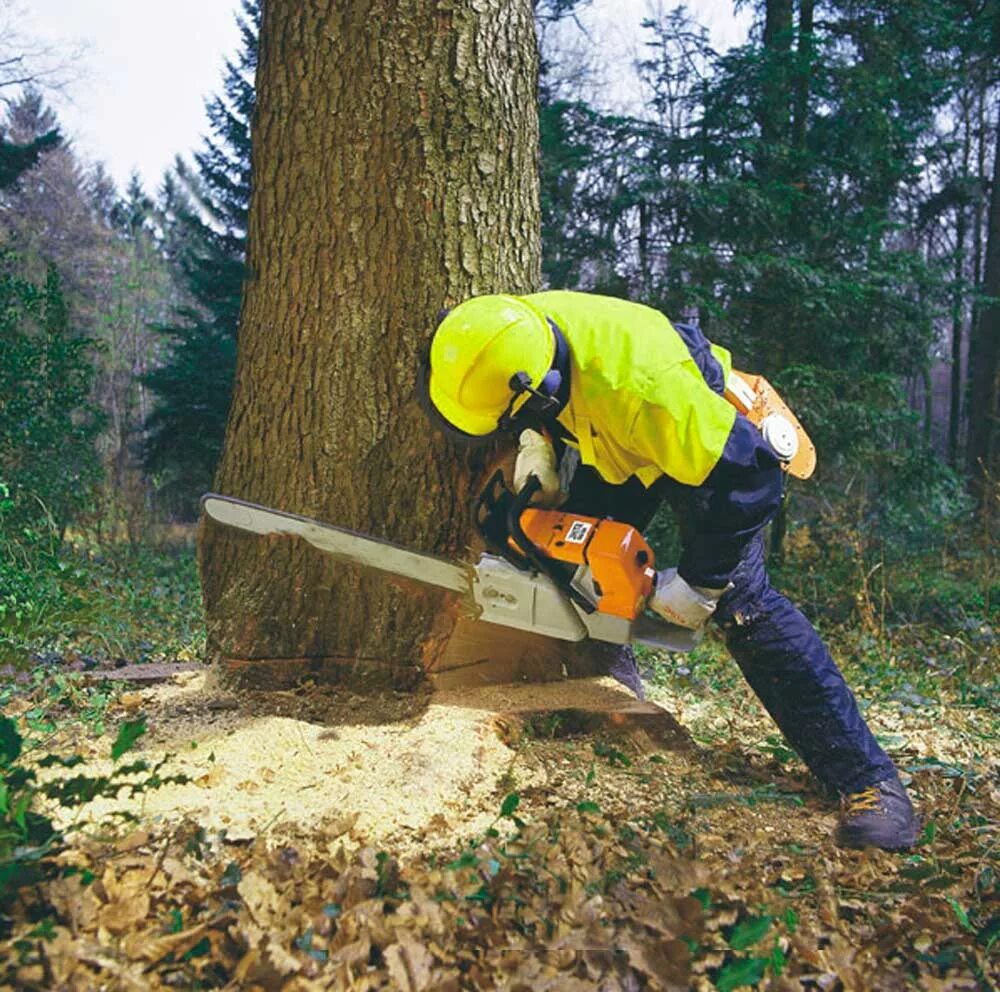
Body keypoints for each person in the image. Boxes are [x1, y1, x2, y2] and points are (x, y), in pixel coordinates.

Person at [422, 290, 919, 851]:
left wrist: (702, 583)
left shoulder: (658, 400)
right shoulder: (501, 330)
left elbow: (754, 482)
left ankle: (870, 782)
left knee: (744, 607)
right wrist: (536, 441)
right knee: (578, 563)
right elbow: (530, 391)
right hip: (612, 430)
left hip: (705, 439)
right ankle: (615, 701)